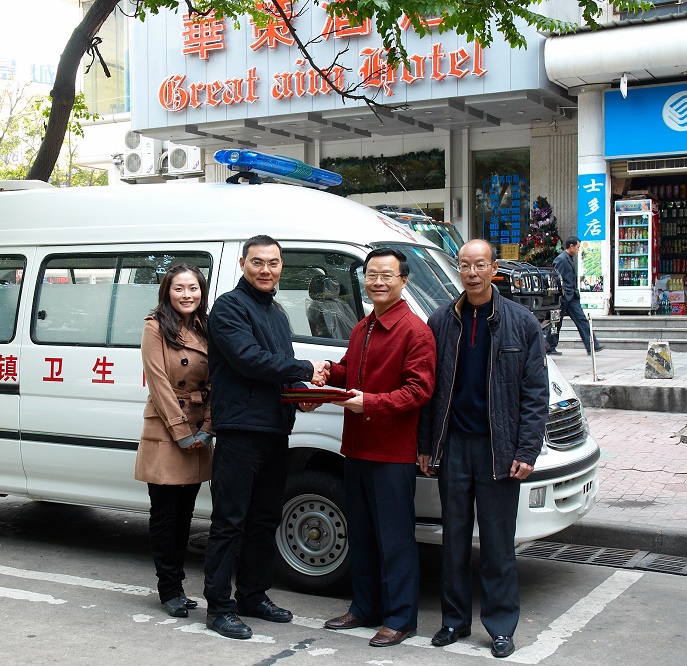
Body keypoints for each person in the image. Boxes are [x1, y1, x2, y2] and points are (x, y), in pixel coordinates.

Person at [418, 239, 549, 659]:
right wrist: (426, 445)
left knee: (497, 544)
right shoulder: (441, 320)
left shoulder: (521, 322)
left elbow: (535, 393)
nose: (471, 273)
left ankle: (501, 626)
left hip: (499, 449)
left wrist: (527, 450)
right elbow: (429, 390)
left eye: (479, 265)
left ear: (495, 269)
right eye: (464, 265)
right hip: (454, 445)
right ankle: (454, 621)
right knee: (454, 540)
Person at [203, 235, 329, 640]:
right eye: (257, 262)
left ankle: (253, 596)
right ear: (243, 263)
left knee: (264, 521)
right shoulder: (228, 307)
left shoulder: (275, 312)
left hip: (275, 429)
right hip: (240, 431)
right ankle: (219, 607)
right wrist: (305, 369)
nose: (265, 270)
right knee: (230, 522)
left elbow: (278, 368)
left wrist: (301, 394)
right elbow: (249, 360)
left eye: (273, 263)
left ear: (281, 266)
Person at [322, 248, 437, 648]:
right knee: (362, 535)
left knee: (395, 539)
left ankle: (401, 618)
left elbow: (419, 390)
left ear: (404, 280)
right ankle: (364, 607)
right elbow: (349, 371)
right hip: (356, 447)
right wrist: (327, 373)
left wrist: (370, 403)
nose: (378, 282)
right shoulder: (363, 327)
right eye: (371, 274)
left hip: (391, 452)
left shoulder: (415, 331)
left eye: (387, 275)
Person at [134, 264, 214, 618]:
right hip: (167, 429)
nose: (187, 295)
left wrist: (208, 427)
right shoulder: (155, 326)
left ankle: (177, 586)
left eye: (193, 288)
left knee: (185, 515)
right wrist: (182, 432)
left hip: (199, 428)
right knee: (166, 514)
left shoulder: (205, 326)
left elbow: (216, 381)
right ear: (167, 292)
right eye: (179, 288)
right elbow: (159, 384)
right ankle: (169, 589)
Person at [546, 236, 604, 356]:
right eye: (577, 247)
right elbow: (557, 279)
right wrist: (561, 294)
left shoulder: (568, 258)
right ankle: (549, 346)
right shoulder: (561, 259)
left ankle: (592, 345)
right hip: (563, 297)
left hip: (572, 297)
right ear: (571, 246)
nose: (578, 250)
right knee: (556, 322)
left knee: (581, 320)